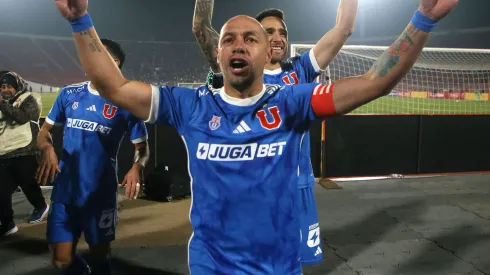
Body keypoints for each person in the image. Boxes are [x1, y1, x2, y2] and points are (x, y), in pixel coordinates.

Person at [54, 0, 457, 272]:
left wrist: (422, 19)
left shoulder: (292, 101)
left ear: (269, 53)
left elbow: (373, 83)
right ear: (218, 54)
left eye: (251, 38)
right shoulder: (190, 105)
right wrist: (78, 20)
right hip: (210, 262)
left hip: (275, 263)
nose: (238, 44)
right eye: (229, 38)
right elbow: (115, 87)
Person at [192, 0, 358, 265]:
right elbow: (201, 28)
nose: (278, 38)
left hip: (297, 188)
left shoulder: (300, 70)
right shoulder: (237, 73)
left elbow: (344, 28)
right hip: (251, 194)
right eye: (269, 32)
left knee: (294, 265)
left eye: (282, 33)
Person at [36, 38, 150, 275]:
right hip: (65, 191)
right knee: (60, 260)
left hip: (100, 194)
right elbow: (44, 131)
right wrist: (47, 148)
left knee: (100, 258)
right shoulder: (69, 93)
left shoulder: (126, 104)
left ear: (114, 63)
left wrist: (137, 166)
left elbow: (143, 149)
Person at [0, 71, 49, 237]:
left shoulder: (30, 97)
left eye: (8, 86)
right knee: (1, 191)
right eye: (2, 86)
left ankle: (41, 206)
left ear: (16, 86)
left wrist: (2, 104)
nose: (5, 90)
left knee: (27, 183)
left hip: (25, 150)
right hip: (3, 153)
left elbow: (23, 117)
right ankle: (7, 224)